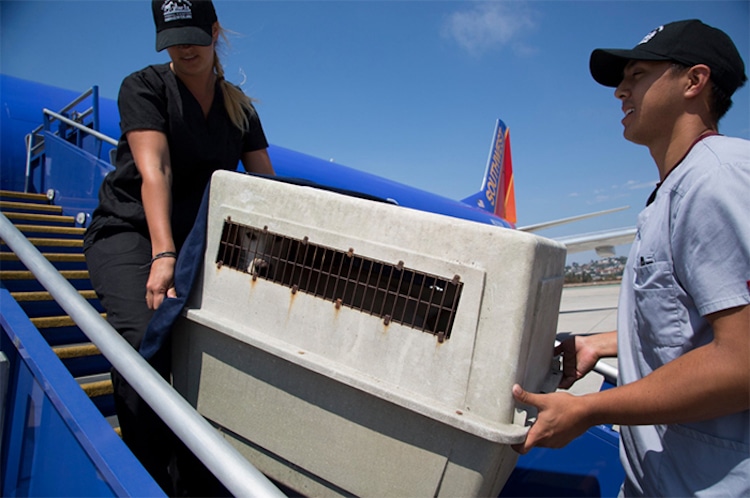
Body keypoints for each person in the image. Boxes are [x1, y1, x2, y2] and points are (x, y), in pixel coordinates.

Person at [511, 19, 749, 497]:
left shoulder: (718, 180)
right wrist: (601, 343)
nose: (621, 90)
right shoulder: (672, 191)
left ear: (694, 82)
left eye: (637, 74)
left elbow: (742, 358)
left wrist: (591, 409)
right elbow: (690, 326)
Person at [83, 0, 274, 494]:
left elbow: (267, 187)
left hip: (196, 242)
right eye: (172, 38)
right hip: (129, 231)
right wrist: (162, 255)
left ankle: (196, 475)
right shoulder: (144, 87)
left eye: (193, 34)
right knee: (146, 336)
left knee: (207, 349)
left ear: (215, 32)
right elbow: (156, 171)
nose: (185, 47)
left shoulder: (240, 107)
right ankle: (148, 477)